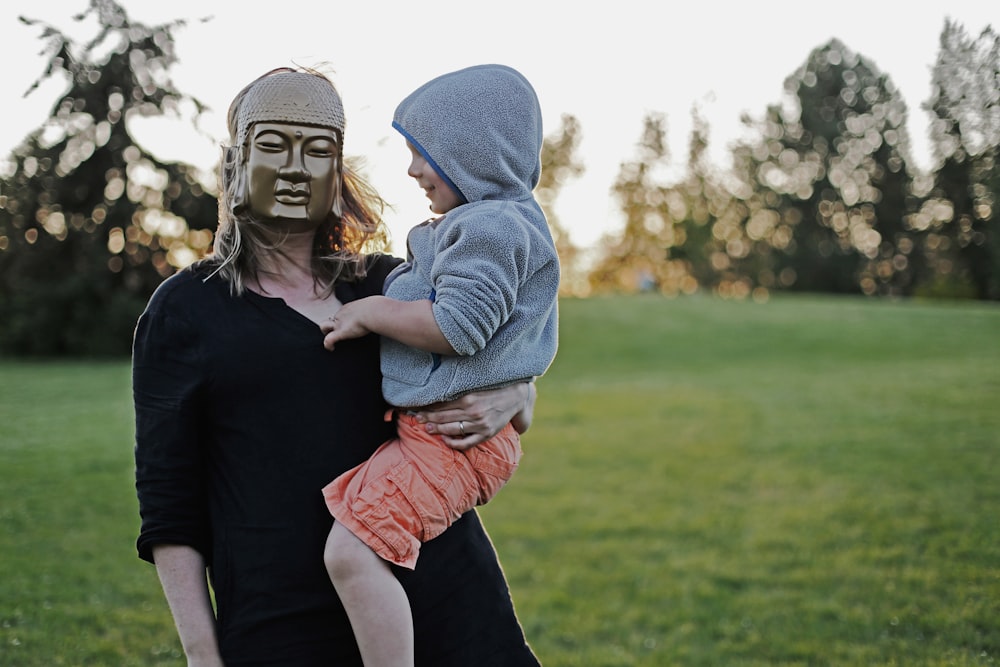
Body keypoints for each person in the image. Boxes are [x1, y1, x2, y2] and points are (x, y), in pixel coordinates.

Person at [133, 66, 541, 667]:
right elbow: (169, 504)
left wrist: (520, 394)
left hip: (453, 611)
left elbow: (496, 344)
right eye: (273, 145)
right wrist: (202, 655)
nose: (296, 168)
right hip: (285, 627)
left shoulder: (390, 284)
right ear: (236, 160)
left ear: (338, 172)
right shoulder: (186, 309)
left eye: (318, 151)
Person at [318, 63, 558, 666]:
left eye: (423, 153)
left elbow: (458, 325)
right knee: (355, 541)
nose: (412, 170)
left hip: (449, 440)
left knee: (352, 554)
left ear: (474, 154)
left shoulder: (492, 227)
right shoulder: (491, 224)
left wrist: (372, 311)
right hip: (446, 436)